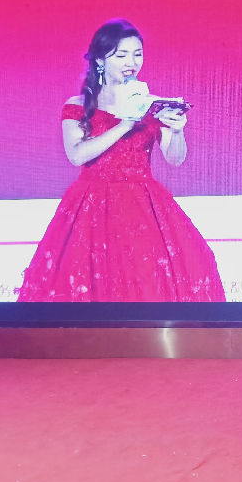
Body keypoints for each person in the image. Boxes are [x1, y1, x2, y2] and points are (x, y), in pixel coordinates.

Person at [16, 19, 225, 302]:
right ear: (100, 60)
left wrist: (177, 131)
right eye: (121, 55)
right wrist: (126, 123)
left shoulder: (152, 104)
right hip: (92, 205)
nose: (131, 62)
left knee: (156, 277)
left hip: (143, 204)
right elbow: (77, 154)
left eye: (137, 54)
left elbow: (175, 158)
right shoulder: (78, 105)